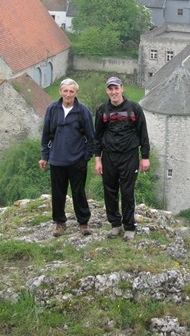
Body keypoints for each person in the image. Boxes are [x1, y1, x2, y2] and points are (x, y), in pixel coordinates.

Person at [94, 76, 150, 242]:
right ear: (107, 91)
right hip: (109, 157)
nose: (114, 92)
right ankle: (115, 225)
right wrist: (97, 159)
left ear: (122, 89)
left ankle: (129, 227)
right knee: (110, 192)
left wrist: (145, 157)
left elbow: (143, 134)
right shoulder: (102, 110)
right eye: (110, 89)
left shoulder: (134, 108)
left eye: (116, 88)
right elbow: (97, 137)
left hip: (129, 156)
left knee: (127, 192)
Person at [40, 78, 95, 237]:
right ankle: (60, 223)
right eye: (65, 91)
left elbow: (91, 137)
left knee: (78, 192)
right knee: (58, 193)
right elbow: (46, 135)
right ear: (60, 92)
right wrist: (45, 156)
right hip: (56, 159)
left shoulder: (83, 111)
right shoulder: (52, 109)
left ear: (76, 93)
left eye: (71, 91)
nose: (68, 94)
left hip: (77, 160)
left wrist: (85, 158)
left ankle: (83, 223)